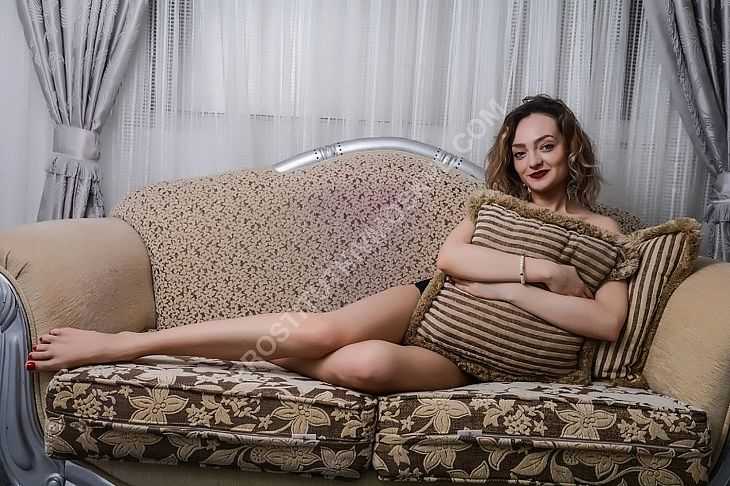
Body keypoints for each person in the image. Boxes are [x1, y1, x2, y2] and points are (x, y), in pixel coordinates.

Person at [26, 95, 628, 395]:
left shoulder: (607, 232)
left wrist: (508, 291)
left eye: (545, 146)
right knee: (319, 332)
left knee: (363, 366)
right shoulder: (495, 207)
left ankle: (236, 354)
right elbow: (452, 260)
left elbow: (605, 322)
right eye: (520, 152)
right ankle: (128, 344)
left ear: (570, 147)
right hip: (431, 303)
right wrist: (542, 272)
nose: (532, 161)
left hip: (474, 359)